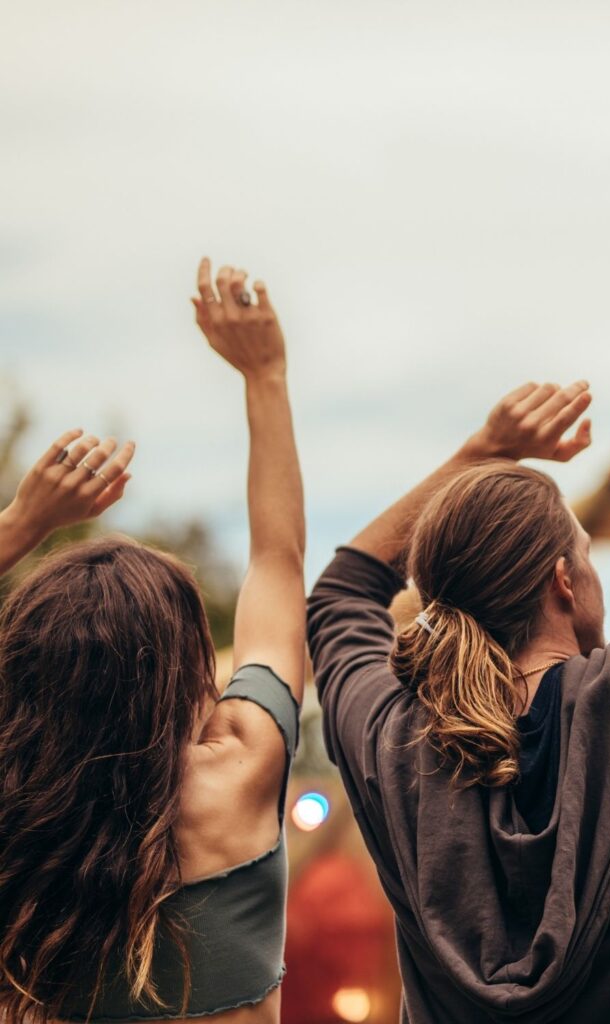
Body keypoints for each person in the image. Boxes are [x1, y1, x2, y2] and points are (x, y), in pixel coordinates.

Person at [308, 380, 610, 1023]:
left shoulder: (391, 742)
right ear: (564, 579)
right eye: (586, 554)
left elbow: (343, 592)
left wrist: (485, 450)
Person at [0, 259, 305, 1024]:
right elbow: (277, 561)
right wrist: (263, 376)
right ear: (186, 669)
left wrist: (19, 525)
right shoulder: (242, 766)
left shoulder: (14, 809)